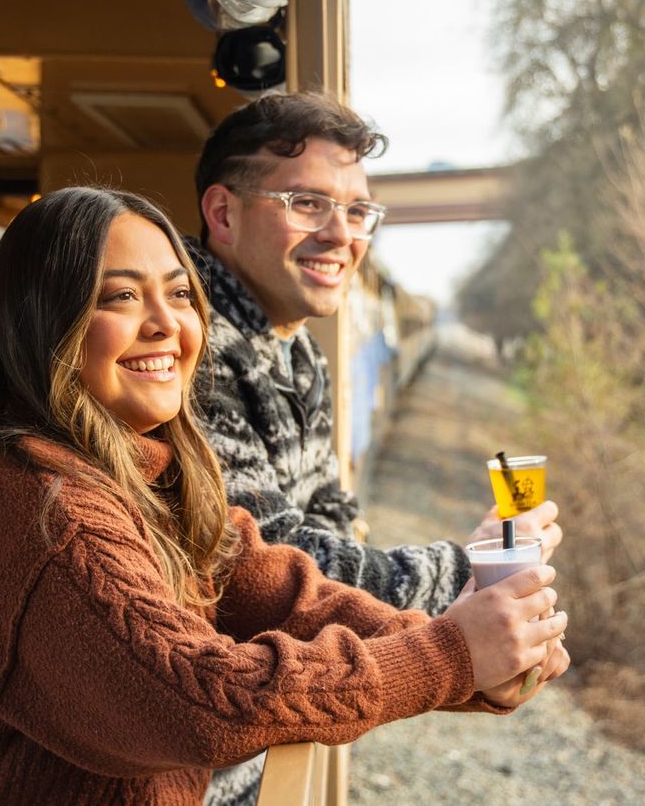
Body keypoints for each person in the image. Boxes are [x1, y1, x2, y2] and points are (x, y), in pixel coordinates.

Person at [0, 187, 569, 805]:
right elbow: (203, 700)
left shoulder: (142, 477)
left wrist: (486, 662)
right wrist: (449, 650)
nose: (167, 324)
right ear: (45, 324)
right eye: (119, 297)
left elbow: (289, 596)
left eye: (179, 293)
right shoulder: (30, 499)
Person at [188, 92, 565, 805]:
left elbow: (331, 522)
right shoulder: (186, 347)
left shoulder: (299, 354)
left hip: (248, 754)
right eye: (307, 202)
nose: (342, 234)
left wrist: (469, 626)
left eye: (358, 211)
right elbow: (270, 565)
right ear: (224, 213)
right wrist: (465, 571)